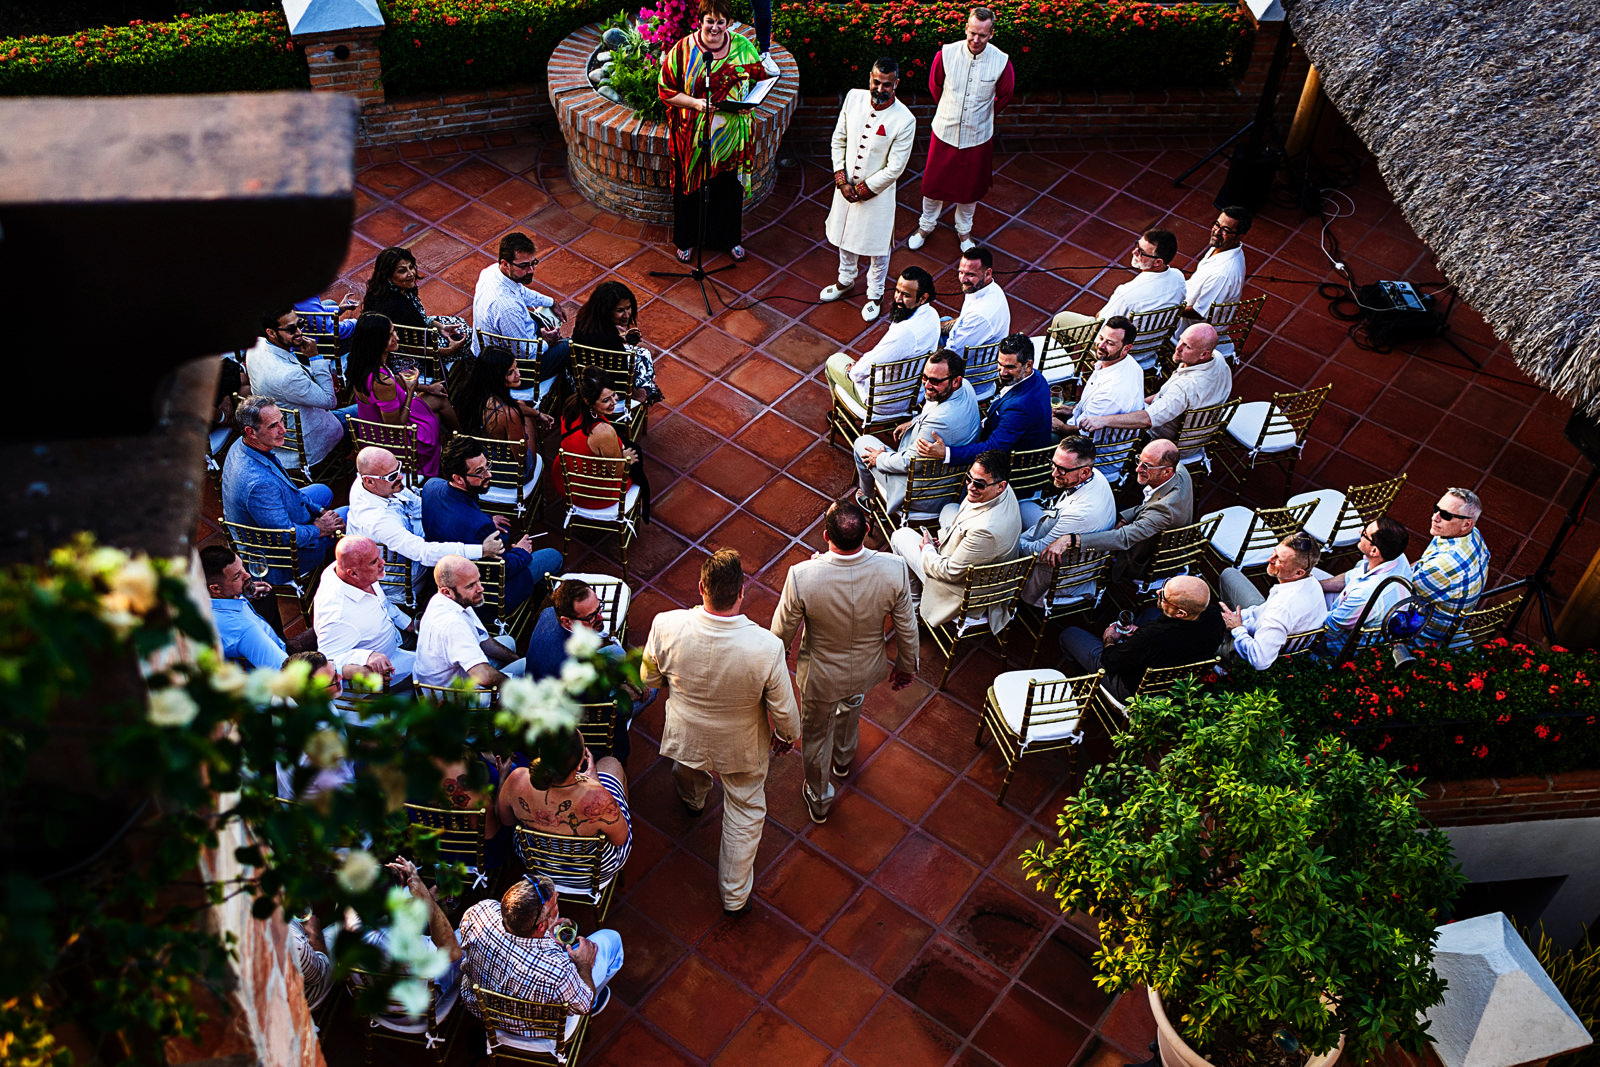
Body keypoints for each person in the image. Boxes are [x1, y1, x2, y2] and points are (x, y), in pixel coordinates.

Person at [640, 550, 800, 916]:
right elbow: (784, 710)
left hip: (686, 734)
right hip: (741, 746)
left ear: (700, 588)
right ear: (741, 592)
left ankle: (694, 802)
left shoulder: (666, 625)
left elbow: (648, 679)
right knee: (745, 812)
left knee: (689, 767)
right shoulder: (766, 647)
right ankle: (734, 896)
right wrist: (787, 735)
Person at [770, 498, 918, 823]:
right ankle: (843, 759)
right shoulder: (894, 569)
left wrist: (773, 672)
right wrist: (906, 666)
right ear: (867, 530)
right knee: (852, 704)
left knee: (815, 735)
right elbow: (907, 626)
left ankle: (820, 798)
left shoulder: (802, 576)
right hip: (866, 669)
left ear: (825, 537)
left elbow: (780, 634)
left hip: (820, 678)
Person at [657, 0, 763, 264]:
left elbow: (759, 78)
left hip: (731, 138)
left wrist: (749, 102)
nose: (715, 28)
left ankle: (728, 239)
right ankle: (686, 240)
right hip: (692, 136)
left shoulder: (744, 47)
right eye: (709, 21)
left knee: (728, 188)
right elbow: (666, 90)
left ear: (728, 23)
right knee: (688, 188)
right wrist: (695, 104)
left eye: (720, 22)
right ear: (700, 20)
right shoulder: (682, 51)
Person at [819, 57, 917, 323]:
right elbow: (838, 139)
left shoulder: (905, 120)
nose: (880, 88)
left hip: (876, 196)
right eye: (877, 82)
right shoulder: (853, 98)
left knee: (877, 248)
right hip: (845, 188)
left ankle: (875, 294)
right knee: (844, 236)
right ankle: (845, 281)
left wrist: (862, 190)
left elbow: (895, 168)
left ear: (896, 84)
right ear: (869, 78)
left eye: (887, 84)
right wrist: (841, 179)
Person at [908, 7, 1015, 253]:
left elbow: (1005, 96)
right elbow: (935, 86)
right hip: (944, 130)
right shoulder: (945, 54)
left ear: (991, 34)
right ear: (966, 28)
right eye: (972, 33)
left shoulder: (1002, 61)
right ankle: (925, 226)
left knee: (970, 188)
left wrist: (982, 116)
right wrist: (950, 111)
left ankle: (964, 231)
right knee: (934, 184)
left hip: (978, 136)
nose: (976, 40)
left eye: (982, 35)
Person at [457, 873, 623, 1026]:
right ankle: (596, 999)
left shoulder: (479, 913)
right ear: (541, 926)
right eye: (555, 903)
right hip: (532, 1027)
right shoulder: (559, 972)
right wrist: (584, 964)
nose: (557, 896)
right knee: (611, 939)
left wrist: (545, 937)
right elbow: (583, 1005)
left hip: (482, 1009)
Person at [420, 437, 564, 613]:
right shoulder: (478, 526)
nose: (489, 475)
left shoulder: (431, 486)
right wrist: (521, 551)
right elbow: (506, 568)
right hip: (485, 592)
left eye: (487, 466)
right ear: (458, 478)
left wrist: (486, 518)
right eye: (479, 471)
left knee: (504, 530)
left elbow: (458, 512)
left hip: (443, 570)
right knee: (553, 556)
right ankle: (535, 606)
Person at [347, 445, 503, 602]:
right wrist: (481, 550)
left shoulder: (378, 484)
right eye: (393, 475)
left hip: (414, 538)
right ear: (369, 481)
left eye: (399, 468)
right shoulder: (379, 522)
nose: (400, 476)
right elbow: (423, 553)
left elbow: (417, 504)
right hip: (406, 576)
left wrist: (474, 517)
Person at [889, 451, 1022, 629]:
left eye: (979, 484)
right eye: (969, 478)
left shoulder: (985, 530)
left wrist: (928, 549)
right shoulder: (1004, 491)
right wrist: (942, 540)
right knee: (949, 509)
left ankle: (912, 610)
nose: (971, 487)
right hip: (979, 562)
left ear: (1000, 486)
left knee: (900, 536)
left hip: (959, 590)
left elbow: (950, 572)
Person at [220, 396, 346, 583]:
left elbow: (291, 491)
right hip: (281, 557)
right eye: (273, 426)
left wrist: (320, 511)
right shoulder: (259, 485)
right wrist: (319, 529)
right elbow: (284, 535)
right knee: (347, 514)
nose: (283, 430)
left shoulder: (241, 444)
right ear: (251, 431)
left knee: (323, 491)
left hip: (273, 515)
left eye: (281, 420)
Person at [526, 578, 647, 764]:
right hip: (570, 715)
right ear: (567, 621)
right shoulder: (573, 671)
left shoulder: (549, 613)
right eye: (590, 617)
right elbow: (600, 705)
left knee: (616, 652)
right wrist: (629, 689)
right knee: (650, 690)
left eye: (599, 608)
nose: (600, 618)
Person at [495, 727, 632, 889]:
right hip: (590, 875)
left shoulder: (517, 779)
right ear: (580, 764)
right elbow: (620, 840)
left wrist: (502, 777)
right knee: (611, 764)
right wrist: (596, 783)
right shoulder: (600, 800)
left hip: (537, 865)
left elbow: (505, 820)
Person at [853, 348, 981, 520]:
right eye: (925, 377)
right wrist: (915, 421)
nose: (927, 385)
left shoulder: (940, 421)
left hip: (923, 493)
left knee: (863, 444)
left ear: (956, 381)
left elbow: (909, 463)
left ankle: (872, 501)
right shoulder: (966, 387)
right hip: (953, 483)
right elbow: (937, 411)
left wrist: (879, 458)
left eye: (935, 381)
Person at [1077, 323, 1231, 460]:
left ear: (1204, 354)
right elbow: (1168, 397)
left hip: (1169, 445)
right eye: (1181, 340)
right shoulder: (1217, 358)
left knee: (1104, 431)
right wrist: (1142, 401)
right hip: (1202, 436)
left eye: (1187, 347)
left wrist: (1102, 420)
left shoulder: (1184, 388)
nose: (1178, 348)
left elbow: (1148, 419)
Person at [1058, 575, 1227, 699]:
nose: (1158, 591)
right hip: (1178, 677)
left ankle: (1088, 684)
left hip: (1135, 690)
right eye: (1166, 585)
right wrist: (1138, 634)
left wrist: (1109, 640)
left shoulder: (1152, 636)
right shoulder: (1215, 617)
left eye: (1164, 596)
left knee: (1069, 635)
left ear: (1181, 613)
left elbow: (1110, 661)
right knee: (1151, 612)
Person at [347, 313, 458, 478]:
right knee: (435, 415)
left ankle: (459, 438)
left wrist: (426, 388)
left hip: (372, 430)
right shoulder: (383, 382)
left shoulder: (363, 365)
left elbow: (396, 381)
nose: (396, 337)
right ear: (376, 342)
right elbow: (397, 426)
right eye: (390, 335)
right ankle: (458, 443)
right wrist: (411, 392)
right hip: (395, 441)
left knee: (438, 397)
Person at [917, 333, 1052, 466]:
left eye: (1010, 367)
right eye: (1000, 364)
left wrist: (946, 453)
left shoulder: (1020, 408)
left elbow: (992, 449)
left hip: (1012, 467)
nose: (1002, 372)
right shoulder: (1037, 377)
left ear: (1028, 366)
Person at [1067, 439, 1194, 580]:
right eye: (1139, 460)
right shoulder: (1180, 469)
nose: (1138, 469)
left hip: (1142, 560)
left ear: (1166, 471)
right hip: (1150, 528)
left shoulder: (1164, 511)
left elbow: (1122, 539)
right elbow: (1149, 506)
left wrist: (1073, 540)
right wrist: (1125, 518)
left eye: (1146, 466)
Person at [823, 266, 941, 415]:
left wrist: (852, 370)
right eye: (897, 291)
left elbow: (862, 370)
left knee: (834, 361)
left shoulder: (904, 334)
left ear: (923, 298)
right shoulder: (933, 315)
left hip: (883, 402)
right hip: (914, 396)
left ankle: (841, 417)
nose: (898, 298)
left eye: (906, 295)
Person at [1017, 437, 1117, 607]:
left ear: (1084, 472)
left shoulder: (1080, 514)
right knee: (1023, 506)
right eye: (1053, 464)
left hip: (1060, 576)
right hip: (1069, 539)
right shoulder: (1096, 475)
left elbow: (1039, 553)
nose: (1054, 473)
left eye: (1062, 470)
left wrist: (1012, 540)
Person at [244, 307, 346, 468]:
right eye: (291, 329)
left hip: (279, 430)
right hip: (308, 440)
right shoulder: (287, 376)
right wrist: (315, 357)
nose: (299, 332)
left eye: (300, 324)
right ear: (271, 333)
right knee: (361, 413)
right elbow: (330, 401)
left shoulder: (256, 345)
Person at [313, 535, 416, 691]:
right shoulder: (338, 616)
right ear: (353, 573)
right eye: (375, 561)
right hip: (390, 667)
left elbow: (382, 602)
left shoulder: (346, 570)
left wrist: (406, 623)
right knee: (444, 668)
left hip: (398, 636)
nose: (383, 563)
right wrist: (365, 656)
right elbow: (327, 662)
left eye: (378, 557)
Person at [1219, 532, 1330, 671]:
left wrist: (1236, 628)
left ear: (1299, 572)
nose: (1269, 559)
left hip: (1247, 652)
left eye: (1279, 560)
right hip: (1260, 624)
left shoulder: (1281, 610)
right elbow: (1261, 610)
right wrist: (1236, 617)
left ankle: (1221, 665)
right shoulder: (1311, 581)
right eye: (1274, 552)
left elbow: (1260, 661)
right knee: (1229, 574)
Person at [471, 232, 571, 381]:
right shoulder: (507, 309)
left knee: (541, 319)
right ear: (505, 264)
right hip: (510, 370)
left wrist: (551, 302)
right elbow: (526, 354)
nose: (531, 270)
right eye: (524, 266)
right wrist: (546, 342)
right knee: (568, 346)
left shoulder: (491, 272)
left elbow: (521, 292)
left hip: (497, 347)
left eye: (533, 263)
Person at [415, 555, 525, 688]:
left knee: (509, 642)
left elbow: (485, 641)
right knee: (527, 665)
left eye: (478, 580)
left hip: (455, 675)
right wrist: (514, 687)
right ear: (447, 592)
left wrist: (515, 659)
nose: (481, 589)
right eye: (471, 585)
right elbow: (483, 676)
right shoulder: (453, 624)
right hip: (455, 697)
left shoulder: (448, 599)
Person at [1051, 229, 1187, 335]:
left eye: (1141, 252)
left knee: (1061, 320)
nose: (1134, 252)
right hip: (1153, 344)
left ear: (1158, 262)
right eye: (1136, 245)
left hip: (1120, 349)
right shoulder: (1179, 278)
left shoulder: (1127, 293)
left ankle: (1066, 364)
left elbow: (1102, 325)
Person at [1054, 316, 1146, 472]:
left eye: (1110, 343)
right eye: (1101, 338)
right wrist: (1070, 409)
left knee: (1036, 436)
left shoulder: (1112, 391)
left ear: (1126, 348)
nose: (1101, 346)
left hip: (1093, 452)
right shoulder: (1125, 363)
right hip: (1082, 420)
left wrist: (1060, 427)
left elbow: (1082, 431)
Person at [552, 368, 645, 518]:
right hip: (594, 495)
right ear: (588, 401)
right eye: (605, 400)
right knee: (636, 457)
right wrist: (626, 457)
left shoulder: (571, 404)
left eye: (614, 394)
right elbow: (617, 470)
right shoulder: (603, 432)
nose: (614, 402)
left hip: (567, 479)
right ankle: (640, 501)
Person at [200, 543, 312, 667]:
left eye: (242, 567)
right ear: (216, 589)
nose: (247, 575)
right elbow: (285, 670)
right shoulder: (244, 630)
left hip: (263, 638)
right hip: (280, 657)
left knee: (267, 597)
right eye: (237, 576)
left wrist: (244, 593)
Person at [361, 246, 470, 360]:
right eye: (402, 271)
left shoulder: (382, 290)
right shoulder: (398, 308)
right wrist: (449, 351)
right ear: (388, 275)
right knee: (467, 337)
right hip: (408, 356)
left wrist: (440, 327)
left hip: (417, 332)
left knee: (460, 323)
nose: (411, 274)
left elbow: (419, 320)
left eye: (411, 267)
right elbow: (414, 348)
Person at [1412, 487, 1490, 643]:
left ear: (1466, 524)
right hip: (1454, 619)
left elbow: (1401, 589)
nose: (1435, 517)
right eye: (1436, 509)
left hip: (1425, 631)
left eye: (1446, 515)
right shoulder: (1473, 533)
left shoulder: (1442, 567)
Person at [570, 280, 664, 406]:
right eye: (620, 310)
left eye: (628, 308)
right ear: (606, 311)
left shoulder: (584, 318)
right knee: (644, 354)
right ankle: (647, 394)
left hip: (581, 379)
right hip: (609, 389)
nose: (626, 315)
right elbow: (622, 374)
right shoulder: (611, 341)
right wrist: (635, 393)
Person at [455, 345, 551, 467]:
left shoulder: (470, 394)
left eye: (516, 368)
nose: (518, 374)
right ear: (496, 377)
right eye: (511, 372)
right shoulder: (508, 414)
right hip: (506, 473)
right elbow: (523, 462)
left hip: (478, 460)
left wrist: (537, 413)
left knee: (521, 404)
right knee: (525, 417)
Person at [1319, 516, 1413, 636]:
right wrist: (1317, 585)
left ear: (1374, 551)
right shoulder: (1397, 556)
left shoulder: (1365, 595)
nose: (1359, 532)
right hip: (1348, 609)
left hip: (1334, 642)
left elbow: (1330, 625)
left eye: (1364, 533)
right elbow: (1351, 577)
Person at [942, 245, 1011, 359]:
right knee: (937, 323)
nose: (963, 279)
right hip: (969, 342)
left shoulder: (980, 316)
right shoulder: (984, 288)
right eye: (961, 272)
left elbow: (951, 355)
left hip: (971, 369)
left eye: (970, 274)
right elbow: (963, 321)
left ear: (988, 273)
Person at [1183, 206, 1251, 321]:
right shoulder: (1223, 246)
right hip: (1184, 302)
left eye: (1226, 230)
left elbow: (1199, 313)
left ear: (1239, 237)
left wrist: (1168, 309)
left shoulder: (1222, 274)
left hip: (1191, 326)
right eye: (1217, 224)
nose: (1217, 232)